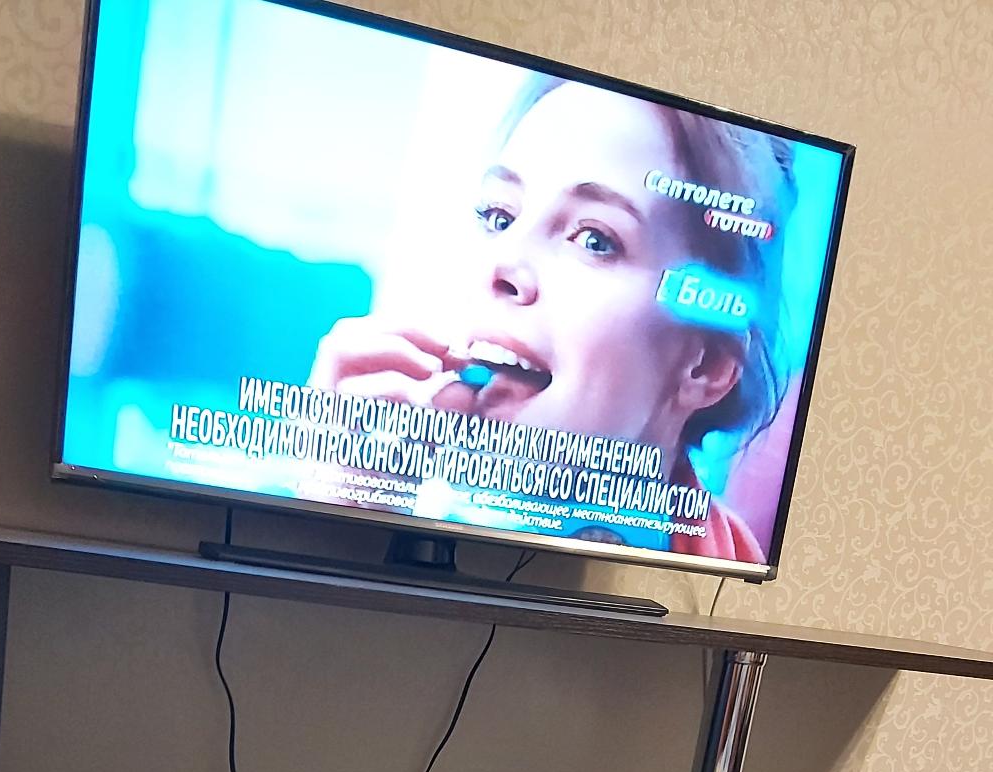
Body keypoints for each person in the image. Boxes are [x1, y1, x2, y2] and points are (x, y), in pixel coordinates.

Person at [309, 74, 796, 564]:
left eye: (595, 240)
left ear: (705, 366)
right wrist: (338, 524)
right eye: (499, 217)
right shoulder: (376, 490)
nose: (501, 266)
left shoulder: (731, 595)